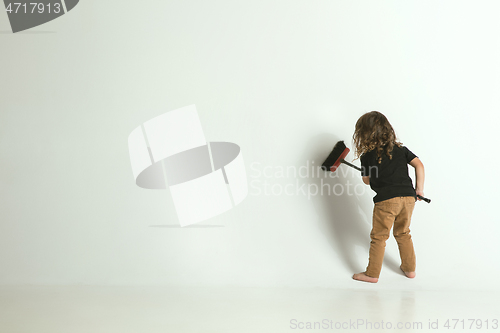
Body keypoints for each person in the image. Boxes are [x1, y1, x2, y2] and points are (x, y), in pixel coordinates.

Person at [350, 111, 425, 283]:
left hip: (386, 201)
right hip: (408, 198)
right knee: (403, 232)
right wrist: (419, 190)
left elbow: (367, 181)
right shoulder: (401, 150)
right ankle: (410, 269)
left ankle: (372, 274)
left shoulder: (367, 156)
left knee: (379, 237)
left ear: (364, 134)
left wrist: (371, 174)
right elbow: (419, 165)